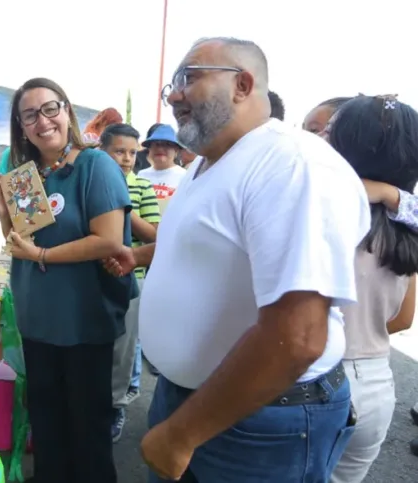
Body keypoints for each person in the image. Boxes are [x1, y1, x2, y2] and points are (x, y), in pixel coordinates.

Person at [105, 37, 369, 482]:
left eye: (188, 78)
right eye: (172, 83)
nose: (172, 95)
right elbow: (206, 246)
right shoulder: (209, 165)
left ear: (243, 84)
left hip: (256, 423)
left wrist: (182, 435)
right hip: (198, 401)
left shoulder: (290, 164)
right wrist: (141, 255)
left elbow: (299, 335)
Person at [0, 77, 135, 483]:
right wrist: (2, 211)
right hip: (39, 321)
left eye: (50, 108)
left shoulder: (96, 165)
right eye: (29, 115)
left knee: (86, 436)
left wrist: (44, 255)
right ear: (22, 126)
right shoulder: (25, 176)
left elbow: (107, 240)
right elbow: (21, 243)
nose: (42, 120)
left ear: (67, 111)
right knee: (48, 431)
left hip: (82, 323)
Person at [327, 95, 418, 483]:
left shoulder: (323, 207)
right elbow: (402, 320)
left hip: (311, 379)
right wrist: (392, 194)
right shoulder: (405, 226)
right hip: (376, 381)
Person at [98, 123, 160, 443]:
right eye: (119, 151)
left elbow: (156, 235)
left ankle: (116, 406)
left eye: (132, 153)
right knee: (93, 348)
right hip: (90, 281)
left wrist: (126, 208)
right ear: (102, 151)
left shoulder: (141, 187)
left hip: (130, 281)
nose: (126, 159)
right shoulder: (90, 183)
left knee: (123, 350)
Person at [137, 124, 187, 201]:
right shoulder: (141, 175)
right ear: (149, 149)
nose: (160, 149)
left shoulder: (184, 176)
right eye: (156, 144)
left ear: (176, 150)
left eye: (167, 145)